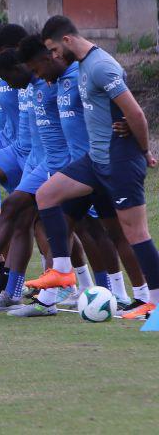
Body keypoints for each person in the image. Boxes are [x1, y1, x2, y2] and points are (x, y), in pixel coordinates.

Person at [26, 16, 159, 327]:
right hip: (95, 160)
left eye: (54, 49)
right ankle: (61, 270)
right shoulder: (84, 66)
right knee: (46, 195)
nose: (54, 56)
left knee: (135, 232)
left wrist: (144, 151)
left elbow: (136, 112)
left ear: (67, 41)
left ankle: (155, 301)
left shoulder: (100, 65)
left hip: (119, 161)